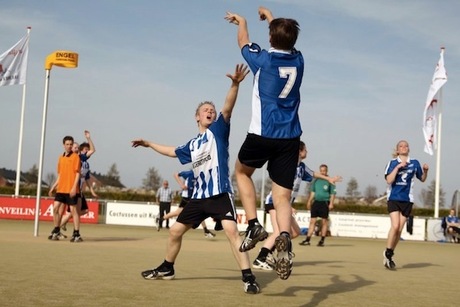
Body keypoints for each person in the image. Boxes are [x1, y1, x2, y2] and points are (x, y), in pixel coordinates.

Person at [131, 64, 260, 294]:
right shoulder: (192, 145)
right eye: (205, 110)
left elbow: (228, 109)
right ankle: (167, 267)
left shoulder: (218, 131)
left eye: (212, 110)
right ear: (197, 117)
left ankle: (248, 277)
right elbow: (172, 151)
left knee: (232, 232)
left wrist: (234, 84)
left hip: (220, 194)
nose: (210, 112)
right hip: (198, 199)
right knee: (174, 232)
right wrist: (150, 144)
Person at [225, 6, 304, 280]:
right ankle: (283, 235)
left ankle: (255, 225)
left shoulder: (264, 60)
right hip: (290, 138)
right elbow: (284, 39)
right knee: (282, 197)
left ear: (271, 39)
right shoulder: (299, 60)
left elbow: (243, 42)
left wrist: (244, 21)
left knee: (241, 171)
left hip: (262, 133)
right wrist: (272, 19)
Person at [253, 142, 341, 270]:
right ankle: (261, 258)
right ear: (299, 151)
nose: (307, 152)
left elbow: (313, 174)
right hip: (274, 201)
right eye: (305, 150)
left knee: (294, 232)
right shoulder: (289, 164)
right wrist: (287, 205)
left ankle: (268, 253)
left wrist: (329, 179)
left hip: (285, 204)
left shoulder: (301, 167)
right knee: (279, 231)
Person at [383, 140, 428, 270]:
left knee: (400, 229)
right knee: (395, 226)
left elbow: (422, 179)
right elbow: (388, 180)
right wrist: (398, 168)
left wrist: (425, 171)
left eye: (406, 145)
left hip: (407, 199)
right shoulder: (392, 163)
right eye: (401, 146)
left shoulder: (414, 163)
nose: (404, 147)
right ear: (397, 150)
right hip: (394, 198)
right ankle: (387, 252)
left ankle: (389, 254)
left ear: (409, 149)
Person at [61, 131, 97, 231]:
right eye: (74, 147)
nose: (76, 149)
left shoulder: (81, 159)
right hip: (72, 189)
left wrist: (88, 138)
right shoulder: (70, 159)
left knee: (78, 211)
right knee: (72, 212)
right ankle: (58, 228)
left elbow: (93, 150)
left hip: (78, 190)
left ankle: (61, 228)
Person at [163, 170, 216, 238]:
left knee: (198, 212)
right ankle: (161, 219)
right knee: (178, 213)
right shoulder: (189, 173)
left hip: (193, 197)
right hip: (186, 198)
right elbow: (175, 174)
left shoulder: (203, 174)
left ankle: (206, 231)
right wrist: (181, 185)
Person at [47, 135, 82, 242]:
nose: (69, 146)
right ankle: (56, 230)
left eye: (71, 144)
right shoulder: (60, 158)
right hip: (61, 189)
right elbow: (60, 174)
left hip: (70, 189)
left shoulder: (75, 157)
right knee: (55, 209)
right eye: (67, 144)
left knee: (73, 211)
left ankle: (76, 234)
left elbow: (77, 174)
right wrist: (53, 186)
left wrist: (73, 188)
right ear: (63, 145)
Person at [299, 164, 337, 247]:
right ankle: (307, 239)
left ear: (327, 171)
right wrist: (309, 201)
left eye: (324, 171)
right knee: (312, 221)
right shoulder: (316, 181)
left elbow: (332, 194)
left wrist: (331, 203)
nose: (323, 172)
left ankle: (322, 240)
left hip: (325, 203)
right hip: (316, 202)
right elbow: (313, 192)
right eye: (321, 171)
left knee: (324, 222)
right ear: (320, 171)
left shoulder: (330, 181)